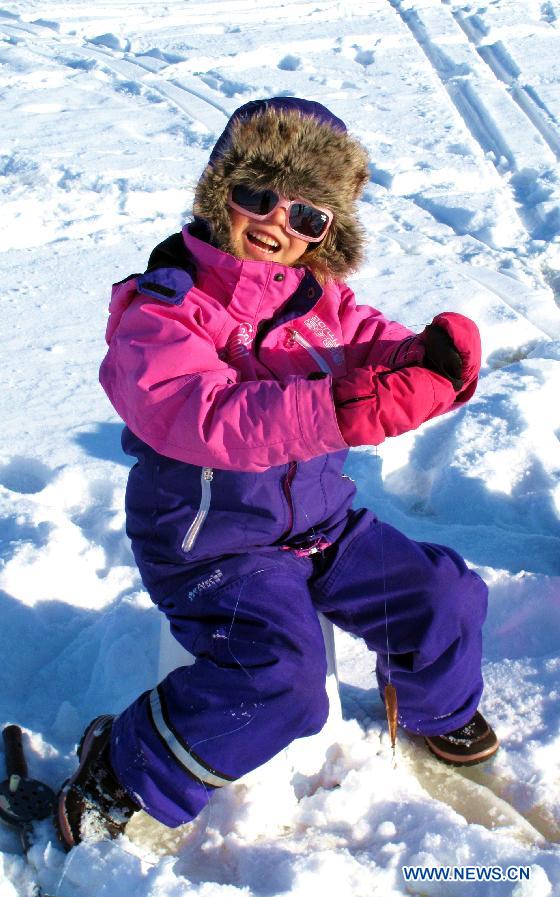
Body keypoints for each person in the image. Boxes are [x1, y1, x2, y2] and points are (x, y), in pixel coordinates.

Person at [56, 97, 499, 849]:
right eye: (258, 196)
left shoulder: (322, 302)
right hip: (214, 547)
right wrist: (337, 410)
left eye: (308, 216)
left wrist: (426, 363)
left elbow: (370, 343)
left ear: (328, 234)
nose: (276, 223)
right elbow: (202, 415)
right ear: (217, 192)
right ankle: (122, 768)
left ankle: (437, 708)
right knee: (281, 683)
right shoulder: (162, 310)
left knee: (443, 593)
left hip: (322, 524)